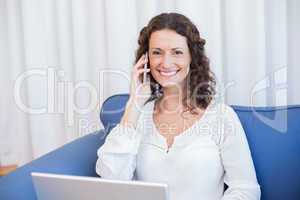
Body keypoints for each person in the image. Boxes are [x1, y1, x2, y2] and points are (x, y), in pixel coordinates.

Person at [96, 12, 261, 200]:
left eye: (177, 52)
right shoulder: (137, 116)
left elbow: (246, 189)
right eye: (157, 52)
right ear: (145, 60)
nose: (166, 63)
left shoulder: (222, 116)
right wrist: (134, 104)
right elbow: (111, 182)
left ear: (192, 57)